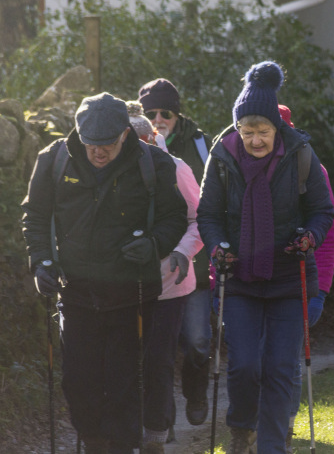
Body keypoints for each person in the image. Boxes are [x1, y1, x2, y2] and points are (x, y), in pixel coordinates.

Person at [21, 93, 188, 454]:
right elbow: (34, 217)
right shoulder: (54, 160)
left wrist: (155, 245)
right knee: (79, 384)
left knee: (124, 386)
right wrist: (42, 263)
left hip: (133, 294)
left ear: (126, 134)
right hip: (77, 292)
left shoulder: (153, 163)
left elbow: (175, 216)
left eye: (108, 144)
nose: (98, 152)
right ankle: (95, 442)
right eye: (91, 143)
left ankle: (119, 447)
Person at [197, 61, 334, 454]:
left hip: (290, 277)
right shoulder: (222, 158)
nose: (255, 140)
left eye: (263, 132)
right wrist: (218, 246)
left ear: (277, 128)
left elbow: (323, 212)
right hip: (239, 278)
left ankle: (272, 446)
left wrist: (310, 236)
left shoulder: (300, 154)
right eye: (247, 131)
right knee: (244, 366)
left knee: (278, 369)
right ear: (237, 128)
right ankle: (242, 426)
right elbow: (207, 215)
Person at [127, 101, 203, 453]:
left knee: (158, 359)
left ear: (152, 137)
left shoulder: (176, 168)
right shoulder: (112, 173)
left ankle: (155, 435)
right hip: (122, 286)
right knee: (131, 360)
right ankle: (140, 427)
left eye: (142, 141)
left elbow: (199, 219)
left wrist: (181, 253)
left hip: (170, 283)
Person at [138, 78, 214, 427]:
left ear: (177, 115)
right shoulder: (135, 144)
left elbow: (207, 205)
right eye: (149, 112)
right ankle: (160, 421)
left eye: (164, 112)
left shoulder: (198, 147)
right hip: (151, 270)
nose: (157, 118)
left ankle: (195, 392)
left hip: (193, 264)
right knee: (158, 353)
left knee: (197, 341)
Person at [277, 104, 334, 453]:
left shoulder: (310, 169)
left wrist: (322, 289)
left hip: (302, 279)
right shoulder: (238, 168)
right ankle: (264, 422)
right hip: (254, 284)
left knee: (287, 357)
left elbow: (328, 234)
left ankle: (283, 425)